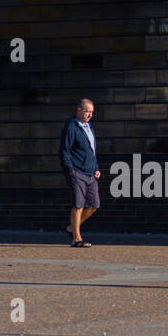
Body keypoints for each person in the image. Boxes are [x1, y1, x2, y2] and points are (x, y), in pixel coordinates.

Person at [59, 98, 100, 247]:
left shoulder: (89, 127)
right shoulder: (71, 126)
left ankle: (72, 228)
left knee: (94, 204)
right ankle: (76, 239)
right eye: (87, 111)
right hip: (76, 171)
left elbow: (92, 150)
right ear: (79, 111)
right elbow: (65, 150)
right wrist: (70, 169)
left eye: (91, 112)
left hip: (90, 173)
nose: (90, 115)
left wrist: (95, 167)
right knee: (78, 204)